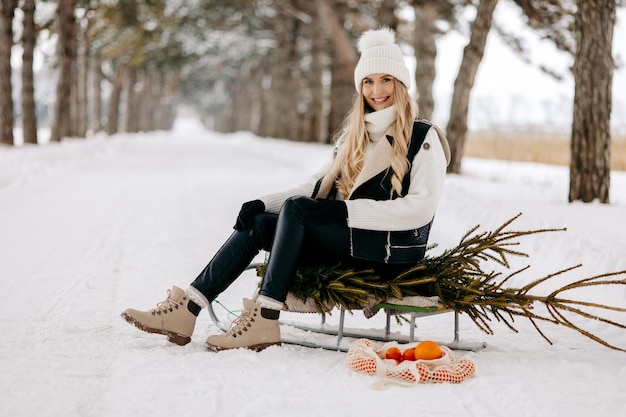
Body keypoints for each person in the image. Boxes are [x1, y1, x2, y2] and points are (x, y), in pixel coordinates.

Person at [121, 27, 451, 352]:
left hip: (390, 252)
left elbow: (420, 208)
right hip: (352, 242)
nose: (376, 90)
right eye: (368, 81)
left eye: (385, 80)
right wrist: (264, 202)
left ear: (401, 84)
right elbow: (313, 187)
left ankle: (265, 317)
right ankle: (187, 309)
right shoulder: (354, 136)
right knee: (262, 222)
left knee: (297, 210)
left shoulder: (423, 137)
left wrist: (343, 211)